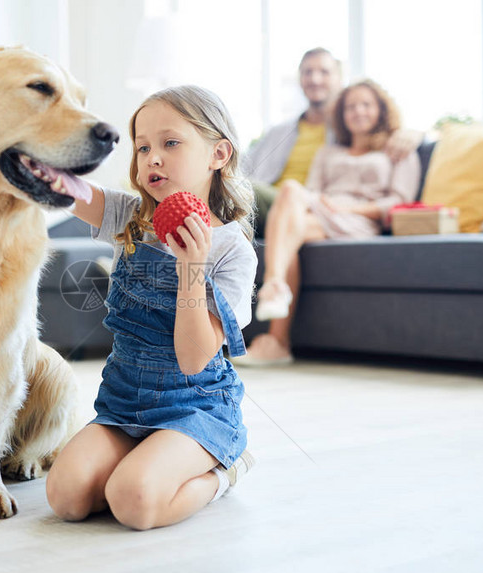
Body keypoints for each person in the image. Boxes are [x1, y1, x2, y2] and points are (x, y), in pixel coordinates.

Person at [45, 85, 258, 531]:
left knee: (133, 502)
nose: (152, 158)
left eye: (170, 143)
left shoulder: (233, 251)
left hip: (194, 407)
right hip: (125, 403)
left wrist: (191, 269)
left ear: (218, 153)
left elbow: (193, 358)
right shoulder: (131, 219)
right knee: (66, 497)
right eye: (143, 147)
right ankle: (143, 460)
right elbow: (64, 187)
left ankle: (223, 472)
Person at [235, 79, 421, 367]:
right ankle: (277, 342)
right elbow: (311, 191)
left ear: (381, 110)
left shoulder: (396, 150)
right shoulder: (328, 151)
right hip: (322, 213)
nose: (358, 111)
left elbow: (398, 202)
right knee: (289, 221)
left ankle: (273, 290)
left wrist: (351, 207)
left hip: (359, 221)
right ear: (342, 115)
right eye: (351, 106)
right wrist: (321, 203)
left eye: (366, 104)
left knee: (288, 207)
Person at [245, 47, 421, 237]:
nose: (315, 79)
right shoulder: (278, 132)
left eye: (324, 72)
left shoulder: (348, 130)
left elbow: (388, 132)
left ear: (339, 80)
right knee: (234, 188)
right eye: (307, 72)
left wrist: (414, 134)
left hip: (309, 205)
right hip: (279, 202)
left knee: (279, 193)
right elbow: (241, 169)